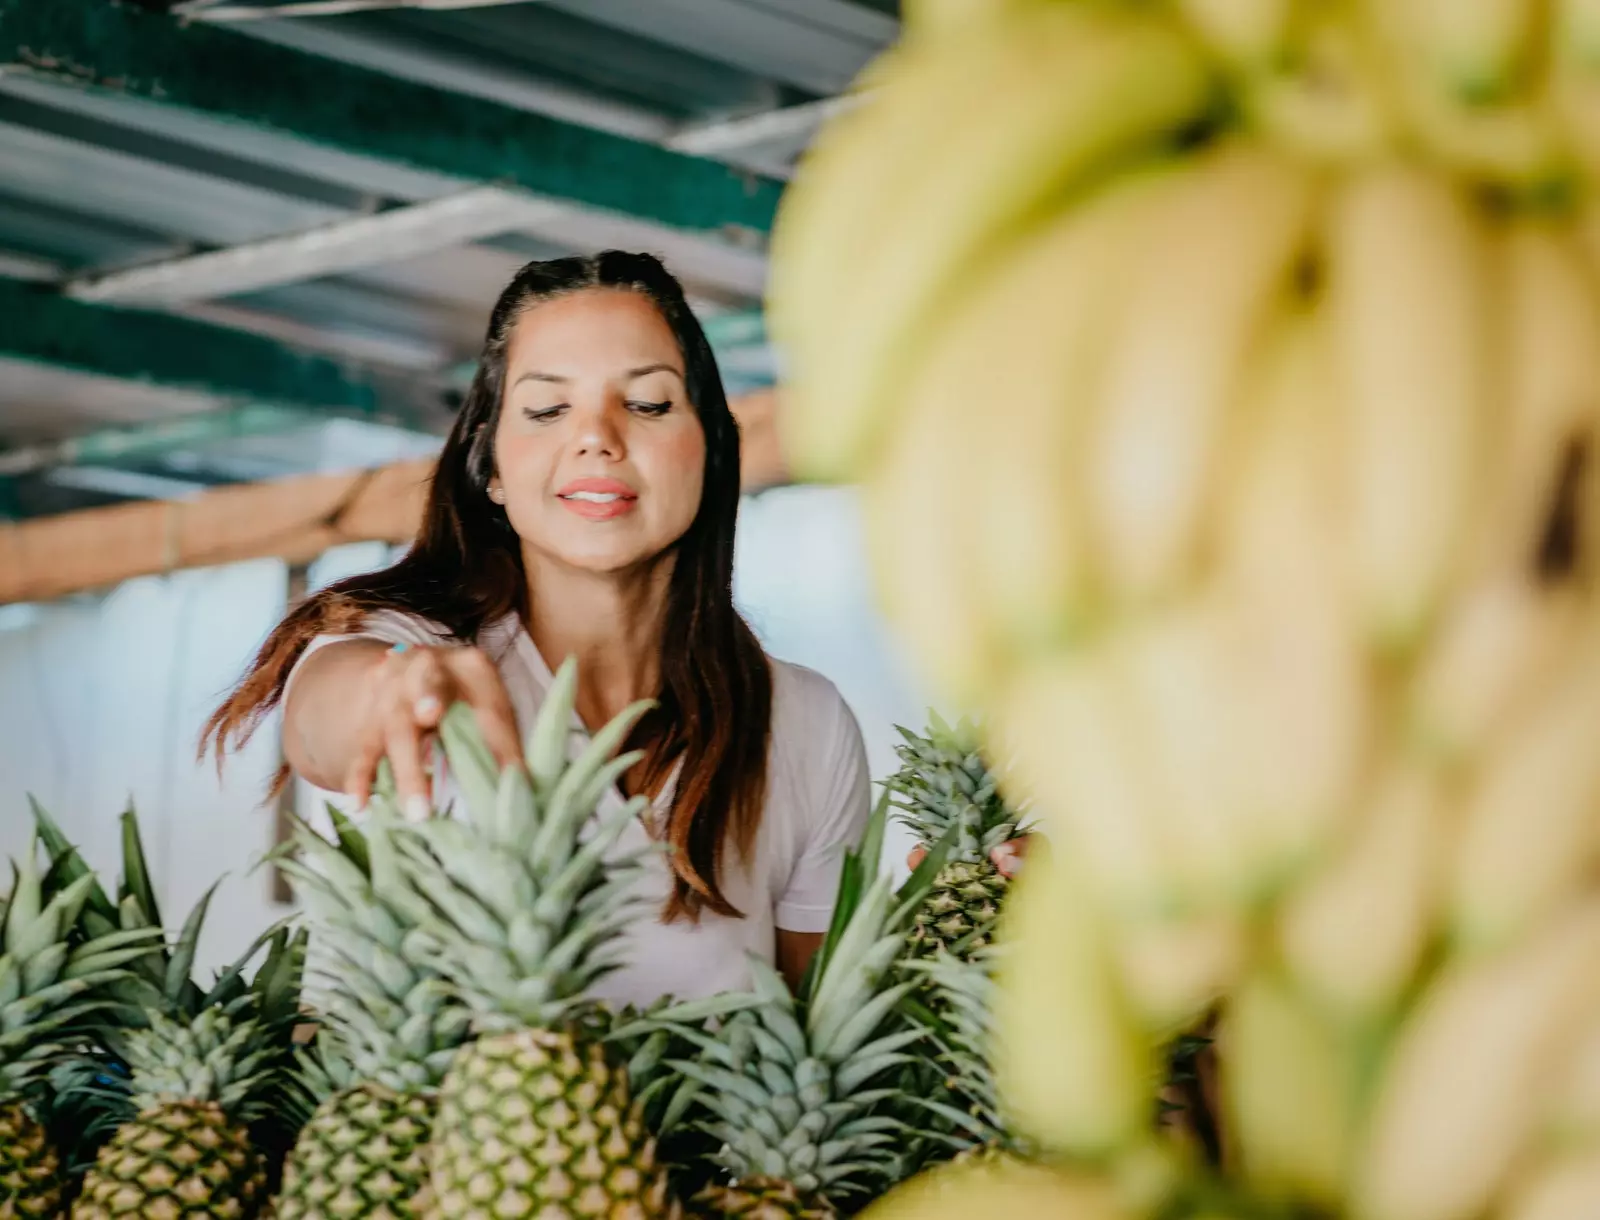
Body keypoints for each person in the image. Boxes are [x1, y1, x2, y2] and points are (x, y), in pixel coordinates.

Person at [203, 251, 872, 1007]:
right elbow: (327, 720)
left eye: (649, 405)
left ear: (712, 451)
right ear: (490, 464)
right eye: (548, 410)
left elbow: (819, 1016)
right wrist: (391, 688)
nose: (596, 437)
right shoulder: (420, 651)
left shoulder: (805, 723)